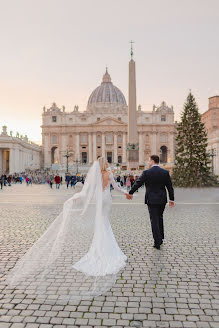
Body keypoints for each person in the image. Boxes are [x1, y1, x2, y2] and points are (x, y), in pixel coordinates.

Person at [6, 157, 129, 300]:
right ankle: (106, 247)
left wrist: (77, 198)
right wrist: (126, 193)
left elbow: (87, 189)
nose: (108, 163)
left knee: (101, 223)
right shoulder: (109, 173)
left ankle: (99, 245)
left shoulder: (96, 175)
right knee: (105, 222)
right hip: (106, 199)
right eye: (107, 162)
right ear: (104, 164)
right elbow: (116, 187)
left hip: (99, 199)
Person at [127, 155, 174, 250]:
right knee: (160, 217)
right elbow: (169, 187)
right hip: (162, 199)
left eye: (149, 161)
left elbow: (138, 183)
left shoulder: (147, 172)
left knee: (154, 220)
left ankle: (157, 241)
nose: (148, 162)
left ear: (152, 161)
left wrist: (130, 192)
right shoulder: (165, 172)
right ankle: (160, 238)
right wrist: (171, 199)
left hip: (151, 199)